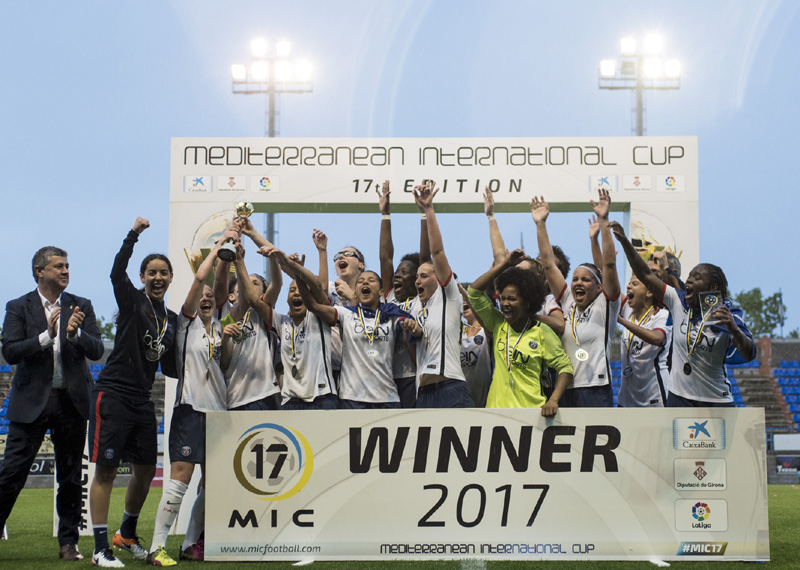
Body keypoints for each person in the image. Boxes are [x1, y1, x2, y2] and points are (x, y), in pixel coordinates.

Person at [0, 246, 104, 561]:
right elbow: (10, 351)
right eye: (59, 266)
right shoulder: (18, 306)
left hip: (71, 403)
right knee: (11, 473)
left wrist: (75, 335)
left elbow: (97, 350)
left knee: (71, 478)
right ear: (39, 271)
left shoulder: (81, 304)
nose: (66, 271)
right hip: (30, 403)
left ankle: (68, 543)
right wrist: (46, 336)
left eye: (67, 265)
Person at [87, 218, 178, 568]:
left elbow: (169, 366)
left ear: (171, 278)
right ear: (142, 277)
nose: (157, 277)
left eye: (163, 273)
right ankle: (99, 548)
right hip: (113, 393)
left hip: (142, 399)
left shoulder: (171, 318)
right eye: (151, 272)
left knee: (145, 470)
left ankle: (125, 534)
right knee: (107, 472)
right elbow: (115, 272)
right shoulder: (131, 301)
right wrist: (133, 235)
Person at [147, 233, 233, 566]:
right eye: (202, 296)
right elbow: (200, 279)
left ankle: (189, 543)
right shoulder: (186, 324)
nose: (206, 298)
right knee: (180, 481)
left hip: (218, 413)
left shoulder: (220, 328)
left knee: (212, 484)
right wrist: (218, 248)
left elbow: (224, 366)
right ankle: (157, 547)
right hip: (190, 410)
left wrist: (229, 258)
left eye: (211, 296)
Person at [611, 222, 756, 406]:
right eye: (689, 276)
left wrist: (733, 329)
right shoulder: (677, 301)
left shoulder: (728, 315)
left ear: (713, 287)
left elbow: (749, 353)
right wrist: (625, 241)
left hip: (715, 400)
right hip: (678, 398)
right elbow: (645, 275)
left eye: (697, 277)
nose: (689, 280)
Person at [532, 189, 621, 407]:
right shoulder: (568, 301)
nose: (578, 283)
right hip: (565, 388)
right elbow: (548, 265)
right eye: (575, 279)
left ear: (599, 287)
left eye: (585, 280)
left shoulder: (606, 304)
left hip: (595, 388)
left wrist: (604, 220)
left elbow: (609, 264)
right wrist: (540, 224)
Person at [467, 251, 573, 412]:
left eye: (512, 299)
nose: (505, 304)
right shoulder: (498, 323)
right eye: (503, 298)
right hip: (497, 412)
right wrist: (505, 264)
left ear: (527, 302)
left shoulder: (541, 331)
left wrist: (553, 400)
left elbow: (565, 368)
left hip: (530, 413)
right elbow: (474, 292)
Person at [402, 180, 473, 408]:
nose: (417, 280)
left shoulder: (448, 294)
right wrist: (413, 332)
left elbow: (436, 252)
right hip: (423, 394)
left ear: (439, 277)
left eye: (424, 276)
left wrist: (428, 210)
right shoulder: (413, 306)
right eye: (417, 277)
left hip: (451, 388)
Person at [266, 248, 339, 410]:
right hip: (291, 401)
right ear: (286, 299)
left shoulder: (318, 315)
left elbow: (318, 287)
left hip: (322, 397)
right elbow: (256, 300)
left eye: (300, 290)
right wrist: (272, 259)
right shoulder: (281, 322)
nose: (296, 293)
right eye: (292, 290)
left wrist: (295, 268)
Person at [378, 180, 426, 407]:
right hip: (385, 377)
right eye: (397, 272)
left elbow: (426, 258)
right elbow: (385, 258)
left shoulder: (420, 301)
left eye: (404, 273)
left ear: (417, 278)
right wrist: (385, 214)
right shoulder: (388, 298)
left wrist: (424, 213)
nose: (397, 275)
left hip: (411, 377)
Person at [221, 240, 283, 412]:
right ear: (231, 296)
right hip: (234, 397)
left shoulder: (263, 313)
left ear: (263, 293)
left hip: (264, 394)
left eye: (255, 283)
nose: (247, 285)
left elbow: (277, 285)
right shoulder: (226, 319)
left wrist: (273, 259)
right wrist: (225, 338)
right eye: (244, 282)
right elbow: (224, 362)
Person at [616, 276, 671, 407]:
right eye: (628, 283)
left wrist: (623, 322)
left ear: (649, 292)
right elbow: (613, 286)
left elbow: (657, 338)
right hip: (627, 398)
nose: (628, 286)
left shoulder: (662, 315)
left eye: (635, 283)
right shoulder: (628, 310)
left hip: (654, 397)